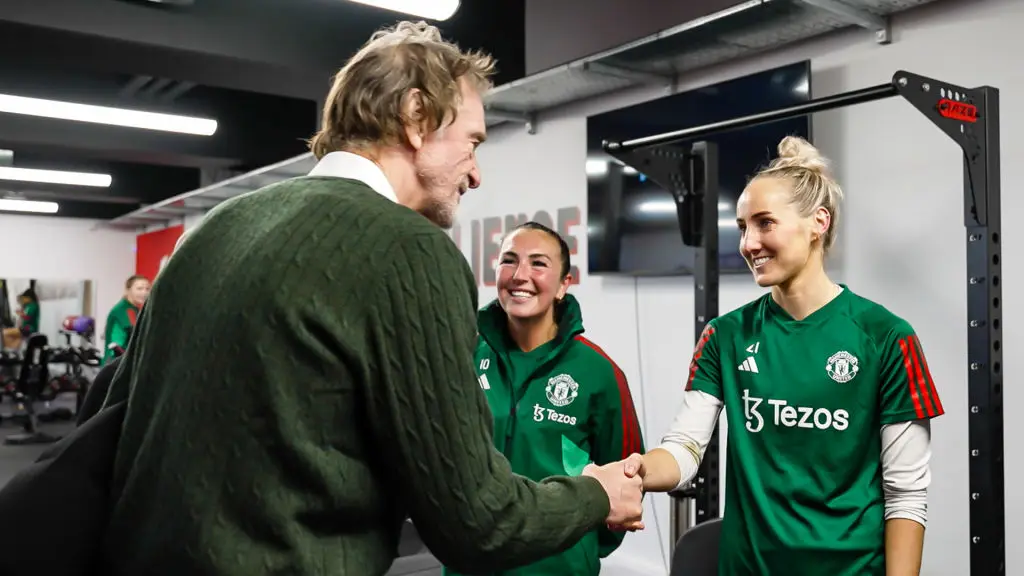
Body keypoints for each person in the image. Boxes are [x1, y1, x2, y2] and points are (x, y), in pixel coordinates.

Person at [95, 20, 643, 576]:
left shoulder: (213, 228)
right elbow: (480, 520)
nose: (476, 174)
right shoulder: (412, 251)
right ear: (416, 117)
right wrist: (595, 494)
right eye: (472, 142)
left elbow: (107, 422)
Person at [622, 136, 942, 576]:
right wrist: (638, 470)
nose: (748, 243)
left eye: (765, 223)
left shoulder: (886, 337)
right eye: (742, 227)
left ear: (818, 222)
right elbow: (684, 450)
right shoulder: (725, 335)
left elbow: (906, 495)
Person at [443, 222, 646, 576]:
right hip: (469, 565)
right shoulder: (463, 355)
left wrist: (578, 548)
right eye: (509, 260)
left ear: (564, 285)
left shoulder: (598, 371)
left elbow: (625, 478)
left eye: (538, 263)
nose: (520, 275)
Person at [102, 274, 150, 364]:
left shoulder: (135, 309)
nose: (144, 292)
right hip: (116, 364)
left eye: (147, 289)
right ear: (128, 290)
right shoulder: (123, 310)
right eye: (139, 289)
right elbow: (117, 346)